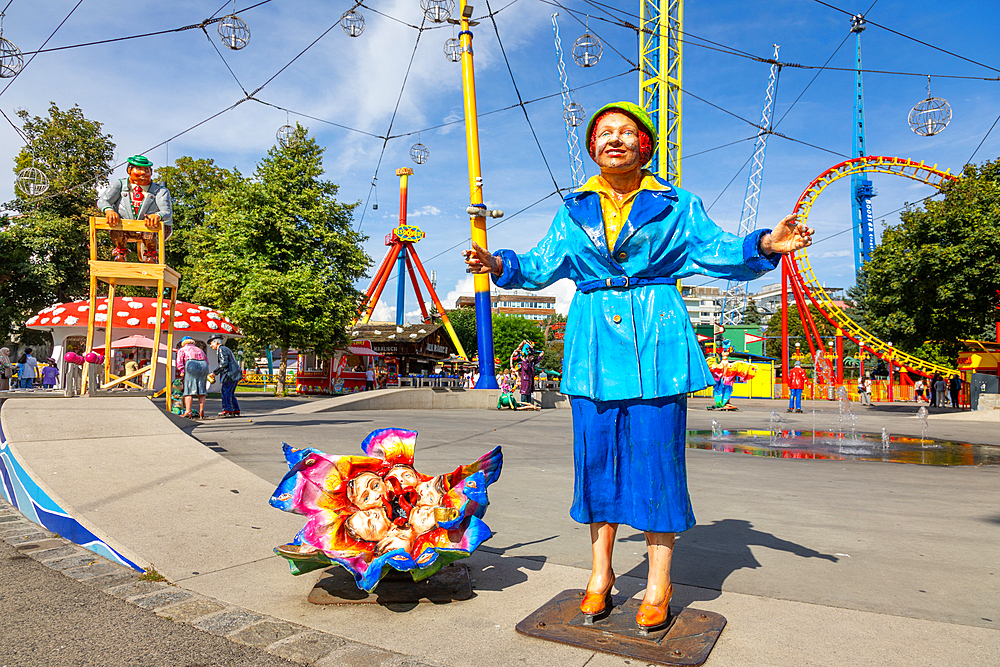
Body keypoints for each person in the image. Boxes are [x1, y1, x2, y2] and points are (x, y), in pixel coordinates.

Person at [463, 101, 812, 632]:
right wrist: (497, 264)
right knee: (595, 461)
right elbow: (539, 263)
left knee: (658, 462)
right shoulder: (573, 209)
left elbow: (718, 249)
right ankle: (599, 577)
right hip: (594, 342)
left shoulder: (677, 204)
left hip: (658, 335)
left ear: (645, 146)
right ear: (592, 148)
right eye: (604, 133)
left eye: (628, 133)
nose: (615, 140)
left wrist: (766, 243)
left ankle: (657, 585)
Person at [96, 155, 173, 264]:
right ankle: (121, 253)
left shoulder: (160, 191)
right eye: (139, 169)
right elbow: (103, 201)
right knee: (116, 228)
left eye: (146, 170)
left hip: (148, 228)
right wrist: (108, 210)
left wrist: (157, 216)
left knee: (149, 230)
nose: (143, 173)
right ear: (129, 170)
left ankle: (151, 255)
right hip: (125, 226)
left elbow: (167, 212)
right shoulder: (119, 185)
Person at [208, 335, 242, 417]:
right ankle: (235, 409)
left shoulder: (221, 349)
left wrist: (215, 373)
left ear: (216, 342)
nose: (210, 345)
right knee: (230, 392)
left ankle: (227, 409)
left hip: (230, 374)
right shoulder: (226, 349)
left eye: (211, 343)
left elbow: (224, 363)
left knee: (225, 391)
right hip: (235, 373)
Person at [175, 337, 209, 419]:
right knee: (201, 389)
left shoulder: (182, 349)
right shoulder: (199, 349)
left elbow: (179, 361)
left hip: (191, 364)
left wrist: (182, 371)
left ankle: (188, 411)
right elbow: (207, 361)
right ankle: (201, 411)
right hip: (203, 365)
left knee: (188, 389)